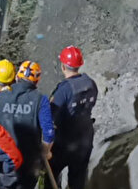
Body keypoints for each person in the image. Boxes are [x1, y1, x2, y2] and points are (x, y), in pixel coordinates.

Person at [0, 61, 55, 189]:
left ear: (17, 77)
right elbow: (49, 132)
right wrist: (44, 152)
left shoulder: (0, 96)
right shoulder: (41, 100)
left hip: (3, 159)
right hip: (29, 162)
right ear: (37, 81)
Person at [50, 47, 98, 189]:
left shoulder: (64, 89)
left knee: (51, 175)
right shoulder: (90, 82)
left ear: (63, 66)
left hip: (65, 142)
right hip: (85, 139)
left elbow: (52, 117)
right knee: (77, 179)